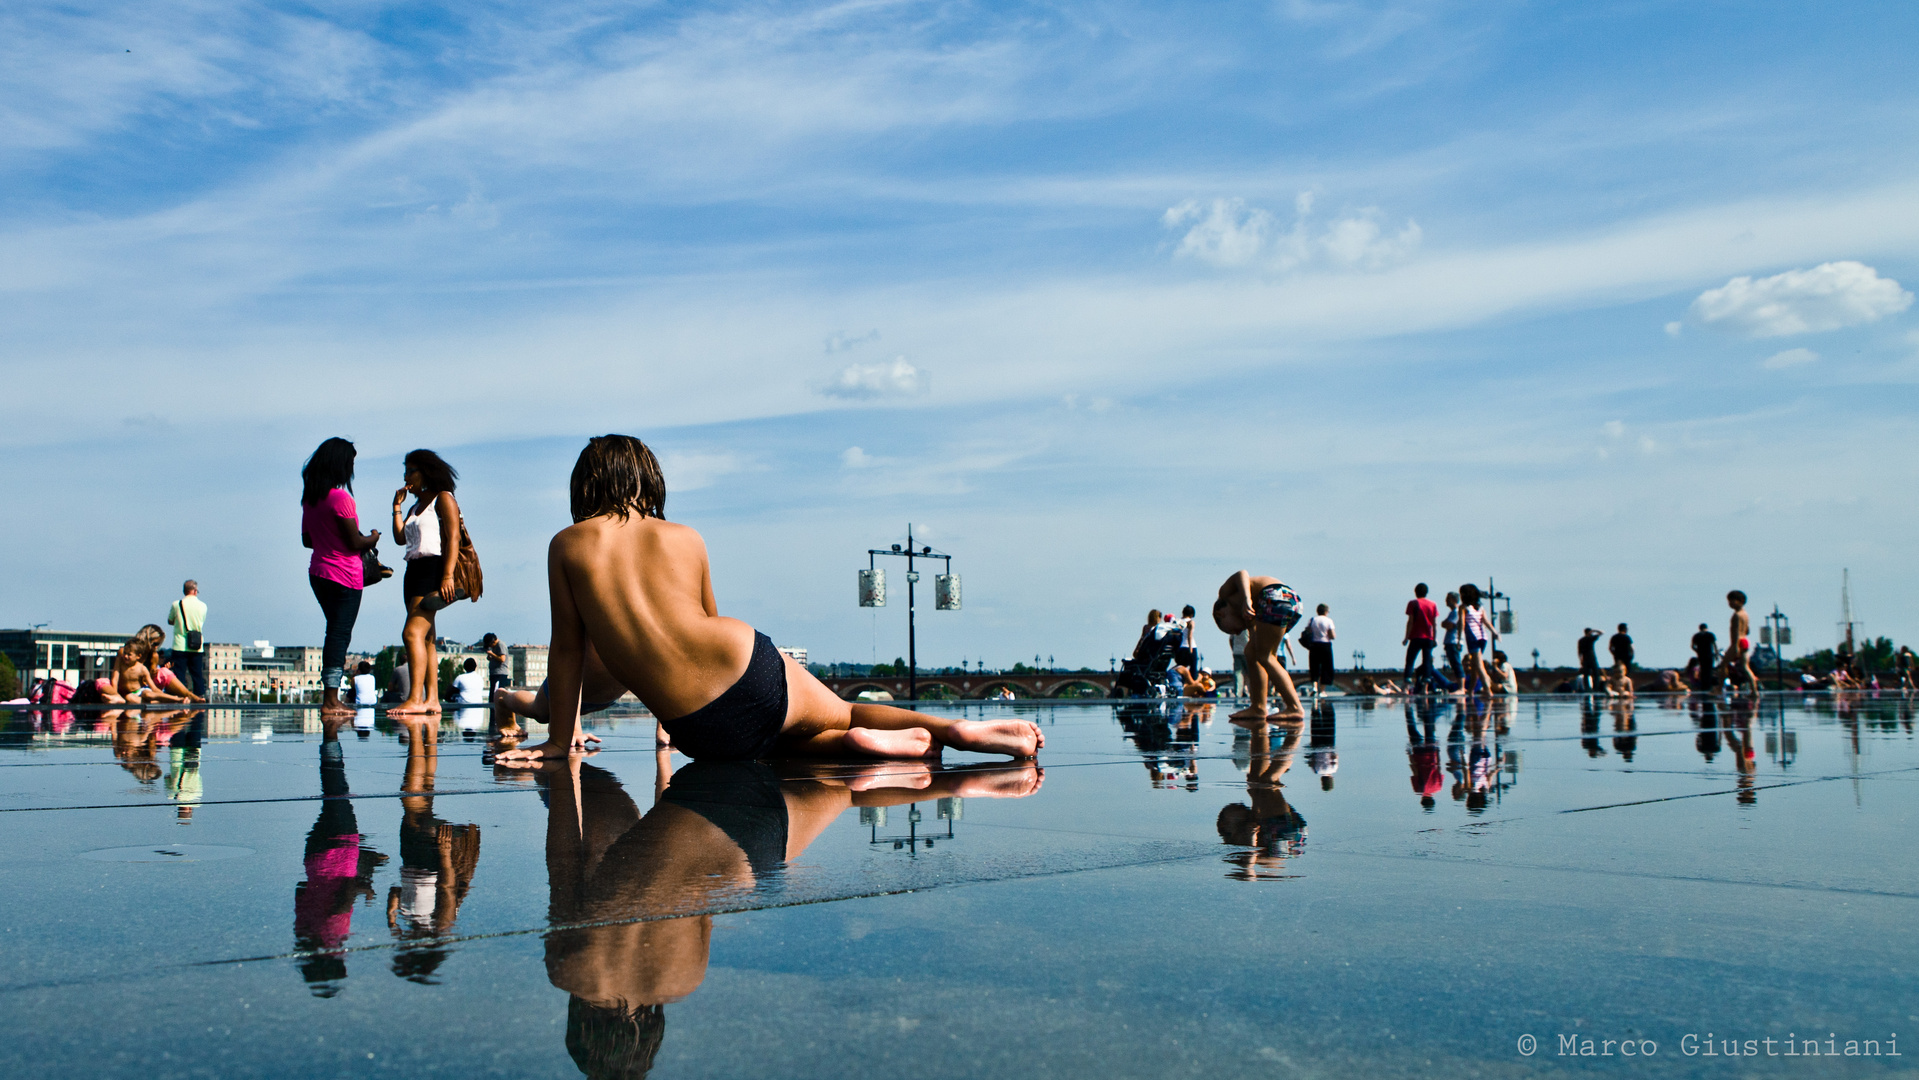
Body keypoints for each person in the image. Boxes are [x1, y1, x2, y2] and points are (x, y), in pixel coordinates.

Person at [496, 435, 1041, 765]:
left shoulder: (567, 546)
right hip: (741, 660)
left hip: (696, 726)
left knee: (762, 748)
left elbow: (567, 651)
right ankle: (956, 732)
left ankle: (855, 748)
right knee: (842, 710)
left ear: (585, 488)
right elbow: (704, 621)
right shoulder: (683, 537)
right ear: (647, 480)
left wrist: (558, 742)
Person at [391, 449, 476, 715]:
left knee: (411, 633)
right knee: (426, 638)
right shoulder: (416, 506)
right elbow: (400, 538)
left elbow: (453, 538)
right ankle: (432, 700)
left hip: (432, 568)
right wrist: (397, 507)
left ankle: (417, 697)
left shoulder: (444, 499)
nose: (406, 476)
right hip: (413, 570)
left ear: (425, 472)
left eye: (410, 471)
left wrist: (448, 575)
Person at [302, 438, 383, 715]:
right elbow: (354, 543)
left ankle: (331, 697)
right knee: (339, 635)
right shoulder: (340, 498)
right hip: (344, 576)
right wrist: (373, 537)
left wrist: (329, 540)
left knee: (334, 632)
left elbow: (307, 541)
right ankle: (330, 700)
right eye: (350, 462)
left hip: (319, 572)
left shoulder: (311, 499)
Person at [1210, 570, 1304, 721]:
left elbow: (1242, 574)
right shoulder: (1249, 616)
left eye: (1231, 630)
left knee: (1265, 656)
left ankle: (1294, 707)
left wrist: (1247, 599)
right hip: (1291, 601)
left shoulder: (1225, 595)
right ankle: (1258, 707)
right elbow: (1253, 647)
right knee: (1252, 652)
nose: (1237, 632)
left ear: (1220, 614)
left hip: (1274, 595)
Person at [165, 580, 208, 698]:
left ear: (184, 591)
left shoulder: (176, 604)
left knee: (179, 674)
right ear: (195, 591)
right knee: (197, 674)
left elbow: (170, 620)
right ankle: (200, 697)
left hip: (180, 644)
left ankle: (181, 696)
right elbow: (201, 621)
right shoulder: (203, 606)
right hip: (196, 645)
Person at [1402, 583, 1441, 692]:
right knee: (1427, 661)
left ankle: (1407, 683)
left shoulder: (1413, 603)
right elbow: (1435, 623)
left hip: (1416, 636)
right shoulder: (1433, 604)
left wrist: (1406, 637)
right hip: (1428, 637)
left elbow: (1410, 622)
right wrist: (1435, 638)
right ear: (1426, 592)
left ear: (1415, 592)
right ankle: (1425, 686)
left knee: (1410, 660)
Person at [1458, 584, 1496, 695]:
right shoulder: (1480, 607)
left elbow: (1462, 623)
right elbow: (1486, 621)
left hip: (1472, 638)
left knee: (1479, 666)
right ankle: (1471, 690)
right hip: (1483, 638)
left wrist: (1459, 639)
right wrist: (1494, 633)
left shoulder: (1463, 607)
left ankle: (1487, 689)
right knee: (1474, 665)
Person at [1721, 591, 1755, 691]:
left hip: (1737, 642)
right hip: (1745, 641)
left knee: (1723, 665)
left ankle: (1719, 687)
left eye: (1732, 601)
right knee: (1745, 668)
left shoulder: (1736, 615)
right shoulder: (1745, 614)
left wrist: (1735, 647)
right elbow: (1747, 630)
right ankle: (1754, 690)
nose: (1730, 603)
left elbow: (1735, 632)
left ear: (1740, 601)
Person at [1302, 603, 1336, 696]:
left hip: (1314, 645)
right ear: (1326, 611)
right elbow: (1332, 635)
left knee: (1314, 666)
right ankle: (1323, 690)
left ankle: (1314, 687)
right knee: (1326, 667)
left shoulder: (1312, 620)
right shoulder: (1328, 621)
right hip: (1325, 645)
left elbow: (1308, 630)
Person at [1440, 592, 1463, 686]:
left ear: (1453, 599)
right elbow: (1444, 624)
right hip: (1450, 641)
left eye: (1448, 598)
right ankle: (1459, 683)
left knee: (1456, 663)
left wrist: (1445, 623)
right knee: (1453, 664)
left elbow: (1448, 625)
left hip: (1453, 641)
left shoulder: (1456, 612)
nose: (1446, 600)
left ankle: (1461, 685)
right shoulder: (1452, 612)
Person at [1577, 628, 1604, 692]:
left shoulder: (1581, 640)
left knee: (1586, 675)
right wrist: (1595, 630)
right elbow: (1602, 632)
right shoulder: (1591, 639)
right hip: (1592, 658)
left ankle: (1587, 688)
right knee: (1596, 674)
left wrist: (1580, 660)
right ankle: (1596, 688)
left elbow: (1579, 651)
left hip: (1585, 658)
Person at [1229, 629, 1248, 698]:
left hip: (1237, 652)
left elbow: (1231, 640)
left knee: (1238, 674)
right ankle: (1252, 694)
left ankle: (1238, 694)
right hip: (1248, 652)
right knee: (1251, 674)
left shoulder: (1235, 625)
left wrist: (1233, 649)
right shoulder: (1249, 626)